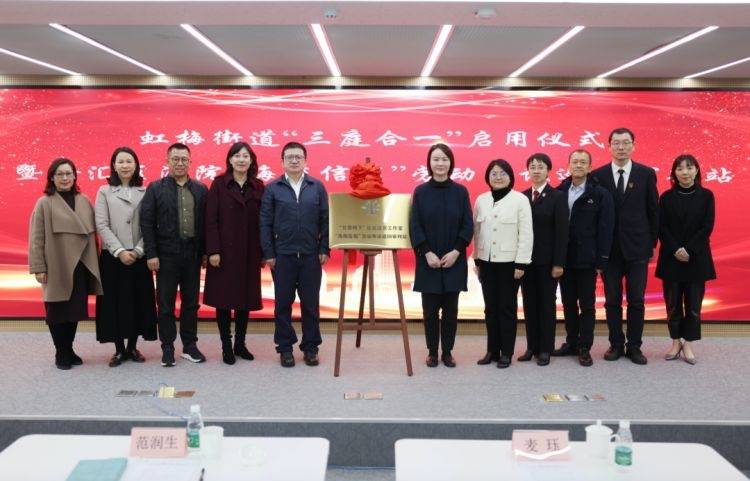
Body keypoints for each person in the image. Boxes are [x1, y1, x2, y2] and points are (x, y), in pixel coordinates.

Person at [592, 128, 658, 365]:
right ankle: (616, 344)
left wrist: (652, 244)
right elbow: (595, 215)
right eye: (616, 143)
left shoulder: (646, 173)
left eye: (626, 142)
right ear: (609, 146)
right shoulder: (598, 175)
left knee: (636, 300)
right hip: (609, 250)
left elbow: (653, 210)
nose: (621, 147)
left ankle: (635, 346)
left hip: (638, 247)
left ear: (633, 145)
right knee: (612, 300)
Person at [28, 158, 103, 370]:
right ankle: (61, 352)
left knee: (74, 310)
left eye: (69, 174)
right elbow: (36, 238)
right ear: (52, 178)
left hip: (80, 263)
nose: (65, 178)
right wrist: (38, 267)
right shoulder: (44, 202)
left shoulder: (84, 200)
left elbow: (93, 234)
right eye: (60, 174)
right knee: (56, 310)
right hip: (56, 264)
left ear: (74, 176)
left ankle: (69, 349)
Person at [260, 142, 329, 368]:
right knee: (282, 305)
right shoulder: (273, 188)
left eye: (298, 156)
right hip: (283, 256)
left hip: (310, 256)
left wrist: (324, 248)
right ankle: (285, 348)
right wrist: (269, 253)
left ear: (305, 160)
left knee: (310, 305)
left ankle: (311, 348)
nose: (294, 160)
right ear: (282, 162)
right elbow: (265, 223)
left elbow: (326, 220)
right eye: (289, 157)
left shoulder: (316, 187)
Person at [140, 142, 208, 367]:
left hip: (192, 255)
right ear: (167, 161)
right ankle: (167, 347)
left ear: (190, 162)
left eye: (184, 159)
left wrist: (205, 253)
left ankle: (189, 345)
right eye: (175, 159)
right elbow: (147, 223)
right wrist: (151, 253)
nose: (180, 163)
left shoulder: (200, 189)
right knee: (165, 304)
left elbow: (206, 224)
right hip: (165, 256)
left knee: (191, 303)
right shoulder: (155, 188)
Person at [409, 144, 473, 368]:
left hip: (454, 260)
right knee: (429, 312)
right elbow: (415, 225)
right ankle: (432, 352)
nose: (440, 163)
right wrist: (426, 252)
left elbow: (467, 225)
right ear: (429, 163)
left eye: (444, 159)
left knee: (451, 311)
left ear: (451, 163)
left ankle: (447, 352)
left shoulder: (461, 192)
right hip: (428, 261)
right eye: (436, 159)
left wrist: (456, 251)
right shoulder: (420, 192)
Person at [95, 147, 157, 367]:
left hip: (139, 256)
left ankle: (132, 347)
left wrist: (139, 250)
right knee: (115, 303)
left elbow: (150, 224)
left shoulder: (146, 191)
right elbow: (101, 224)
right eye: (120, 161)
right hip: (113, 257)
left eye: (129, 161)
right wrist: (120, 251)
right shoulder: (104, 191)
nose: (125, 165)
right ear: (113, 165)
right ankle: (119, 349)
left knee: (138, 302)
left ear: (136, 165)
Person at [204, 142, 265, 365]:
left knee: (244, 300)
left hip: (250, 252)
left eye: (245, 156)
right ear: (230, 160)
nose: (241, 159)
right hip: (224, 253)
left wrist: (263, 252)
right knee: (224, 300)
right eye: (237, 155)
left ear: (251, 160)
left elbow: (264, 222)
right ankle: (226, 346)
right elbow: (210, 219)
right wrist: (213, 250)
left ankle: (240, 343)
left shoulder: (258, 186)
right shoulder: (219, 184)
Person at [552, 149, 614, 366]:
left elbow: (606, 228)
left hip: (588, 259)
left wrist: (602, 260)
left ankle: (584, 347)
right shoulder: (559, 191)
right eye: (575, 162)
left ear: (590, 167)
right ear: (568, 165)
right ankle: (571, 342)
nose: (578, 165)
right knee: (568, 303)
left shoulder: (600, 194)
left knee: (587, 305)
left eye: (583, 162)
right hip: (564, 259)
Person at [473, 159, 533, 369]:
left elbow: (526, 233)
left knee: (506, 308)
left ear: (510, 176)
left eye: (502, 173)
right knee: (490, 308)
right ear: (488, 177)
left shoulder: (520, 200)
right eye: (493, 173)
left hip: (510, 263)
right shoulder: (481, 200)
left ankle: (506, 352)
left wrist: (522, 263)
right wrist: (476, 258)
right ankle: (492, 350)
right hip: (486, 262)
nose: (497, 177)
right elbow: (477, 231)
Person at [656, 154, 715, 365]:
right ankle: (675, 342)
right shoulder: (666, 197)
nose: (685, 172)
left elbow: (707, 227)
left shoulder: (706, 196)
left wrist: (689, 249)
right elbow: (661, 227)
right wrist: (676, 249)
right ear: (674, 173)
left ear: (696, 170)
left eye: (689, 168)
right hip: (671, 259)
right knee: (673, 306)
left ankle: (688, 343)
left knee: (693, 307)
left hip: (696, 258)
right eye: (680, 168)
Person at [519, 153, 568, 366]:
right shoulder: (521, 197)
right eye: (532, 167)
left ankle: (546, 348)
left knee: (547, 305)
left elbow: (562, 232)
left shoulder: (558, 196)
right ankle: (532, 347)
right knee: (529, 304)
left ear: (548, 171)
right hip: (525, 261)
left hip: (548, 263)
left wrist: (559, 263)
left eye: (540, 166)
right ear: (527, 171)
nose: (536, 170)